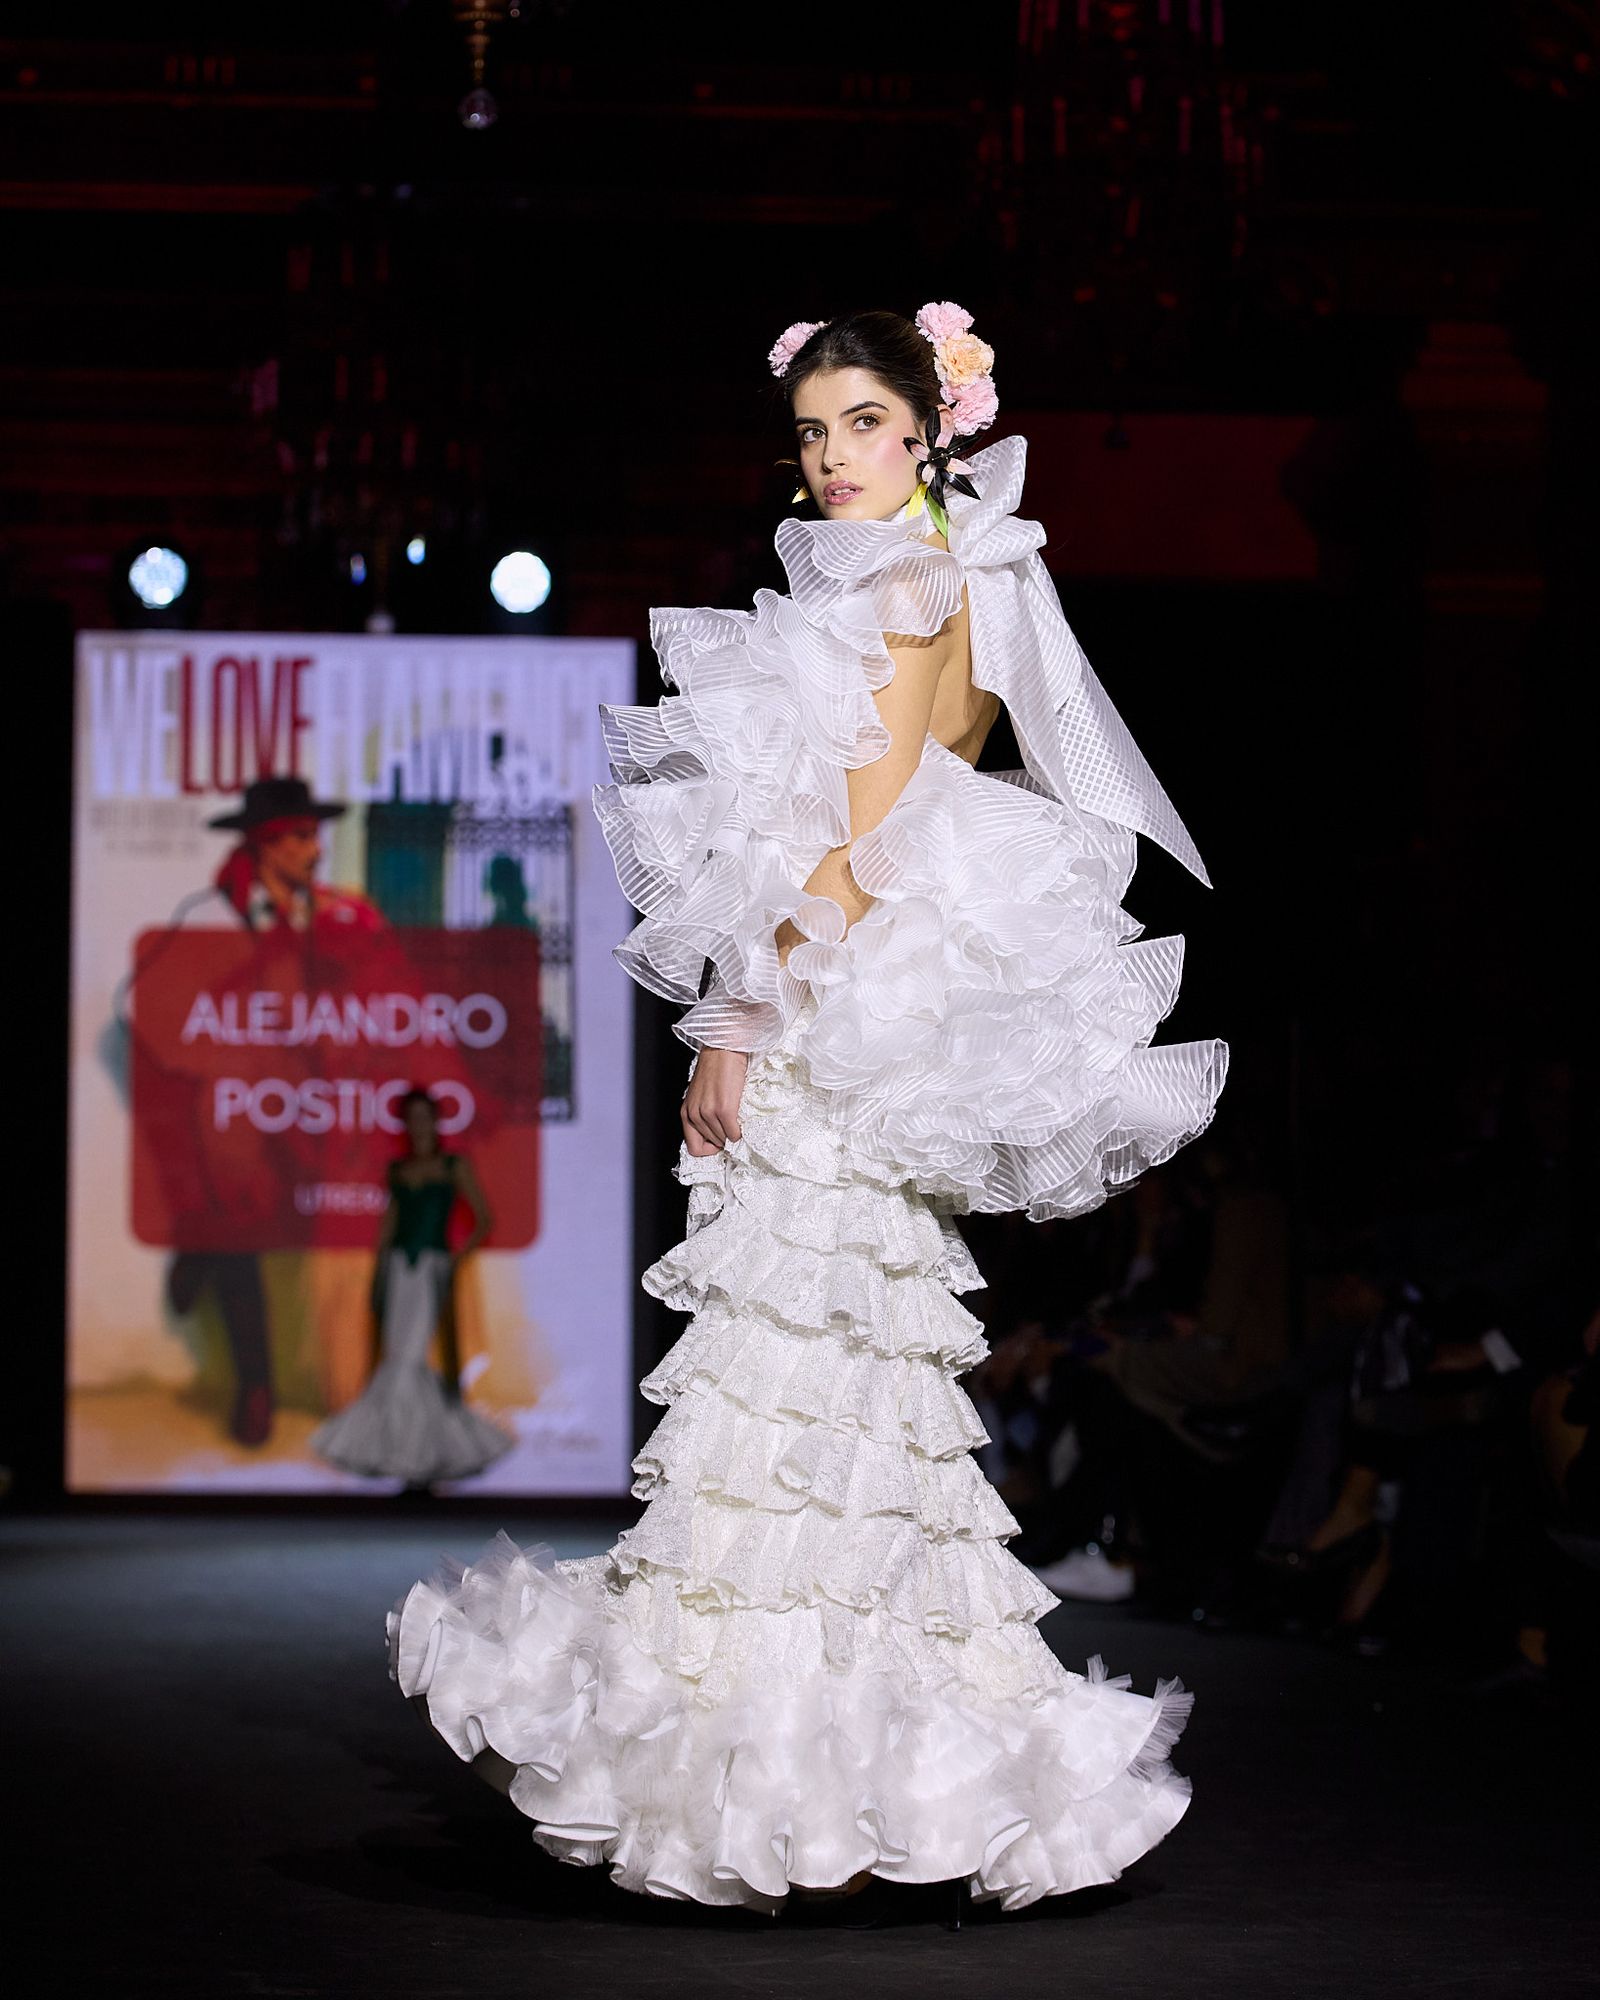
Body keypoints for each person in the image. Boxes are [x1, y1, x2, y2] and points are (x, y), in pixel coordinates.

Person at [387, 304, 1228, 1915]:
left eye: (859, 424)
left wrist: (736, 1030)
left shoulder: (914, 585)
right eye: (811, 433)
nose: (830, 459)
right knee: (844, 1385)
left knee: (800, 1371)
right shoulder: (955, 573)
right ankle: (863, 1766)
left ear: (931, 429)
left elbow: (856, 840)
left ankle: (794, 1766)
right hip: (871, 1028)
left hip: (834, 1030)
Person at [310, 1088, 511, 1488]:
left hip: (432, 1269)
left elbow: (483, 1219)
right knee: (400, 1356)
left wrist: (455, 1258)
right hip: (398, 1270)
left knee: (409, 1358)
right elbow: (390, 1221)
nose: (420, 1124)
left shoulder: (454, 1165)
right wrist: (379, 1270)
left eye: (426, 1116)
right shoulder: (399, 1169)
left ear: (436, 1120)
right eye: (413, 1117)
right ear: (407, 1124)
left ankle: (415, 1454)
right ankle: (409, 1456)